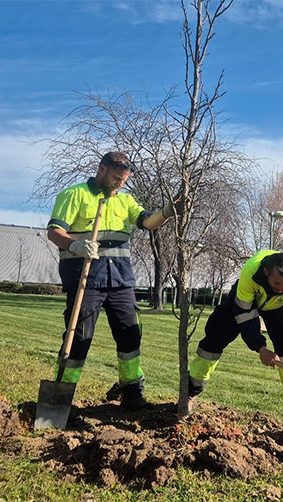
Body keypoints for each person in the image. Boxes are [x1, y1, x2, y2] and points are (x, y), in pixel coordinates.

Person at [47, 151, 173, 410]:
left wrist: (168, 211)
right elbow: (54, 232)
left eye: (124, 179)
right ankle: (61, 400)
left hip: (120, 281)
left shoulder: (125, 201)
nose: (120, 183)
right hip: (86, 279)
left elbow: (148, 222)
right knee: (78, 337)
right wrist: (75, 245)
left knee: (130, 336)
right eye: (117, 177)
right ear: (102, 169)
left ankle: (132, 394)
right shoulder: (75, 195)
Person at [187, 250, 283, 424]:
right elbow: (245, 315)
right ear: (266, 273)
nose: (282, 289)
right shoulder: (250, 274)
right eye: (277, 283)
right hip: (242, 303)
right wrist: (260, 348)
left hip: (277, 308)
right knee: (215, 337)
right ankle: (190, 392)